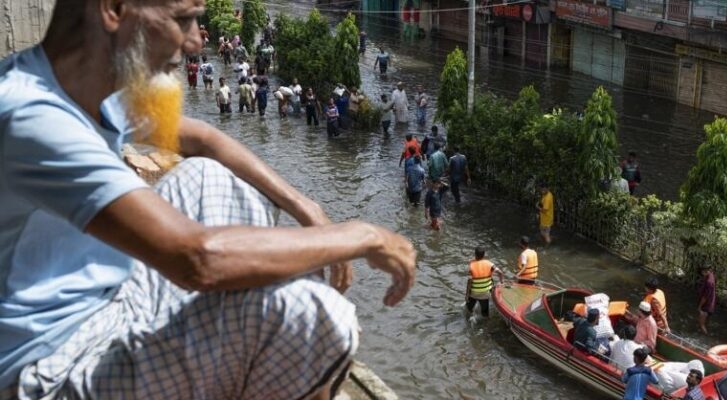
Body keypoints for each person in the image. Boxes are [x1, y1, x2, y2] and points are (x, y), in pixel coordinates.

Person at [0, 1, 416, 398]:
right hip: (52, 366)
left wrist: (305, 205)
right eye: (182, 20)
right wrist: (363, 235)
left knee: (210, 177)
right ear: (114, 10)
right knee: (318, 315)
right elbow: (196, 259)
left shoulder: (80, 91)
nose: (197, 41)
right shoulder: (33, 116)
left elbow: (203, 138)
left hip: (113, 297)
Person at [465, 247, 504, 317]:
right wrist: (501, 283)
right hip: (485, 293)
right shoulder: (490, 264)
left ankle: (470, 319)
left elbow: (469, 281)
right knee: (485, 314)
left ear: (475, 255)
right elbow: (500, 273)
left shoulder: (471, 265)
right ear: (484, 255)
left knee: (468, 309)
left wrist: (467, 295)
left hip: (474, 293)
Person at [697, 266, 716, 334]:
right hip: (709, 304)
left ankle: (705, 335)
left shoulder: (709, 282)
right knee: (702, 322)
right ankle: (702, 334)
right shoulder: (711, 275)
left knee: (702, 324)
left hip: (706, 306)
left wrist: (699, 306)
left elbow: (705, 297)